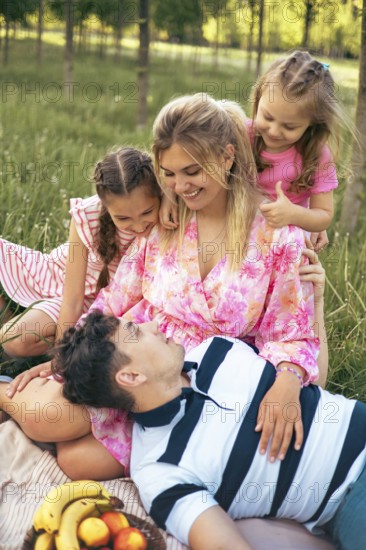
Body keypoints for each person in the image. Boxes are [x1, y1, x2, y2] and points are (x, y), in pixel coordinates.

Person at [0, 93, 320, 480]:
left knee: (78, 460)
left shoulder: (279, 237)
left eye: (192, 171)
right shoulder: (166, 222)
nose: (180, 186)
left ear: (227, 156)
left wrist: (287, 383)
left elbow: (291, 333)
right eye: (168, 173)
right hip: (137, 354)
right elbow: (113, 299)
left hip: (201, 385)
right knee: (52, 416)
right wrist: (65, 358)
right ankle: (6, 392)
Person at [54, 311, 365, 550]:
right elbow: (225, 544)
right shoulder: (159, 471)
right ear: (131, 376)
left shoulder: (217, 348)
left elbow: (313, 379)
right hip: (350, 496)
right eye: (136, 331)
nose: (153, 325)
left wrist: (289, 374)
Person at [160, 51, 347, 251]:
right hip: (238, 229)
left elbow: (324, 216)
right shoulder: (241, 133)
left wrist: (293, 214)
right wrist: (170, 195)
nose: (274, 131)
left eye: (290, 127)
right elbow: (184, 159)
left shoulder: (317, 155)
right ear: (258, 100)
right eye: (267, 116)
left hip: (284, 242)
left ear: (312, 124)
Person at [0, 147, 160, 361]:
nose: (139, 226)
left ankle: (79, 353)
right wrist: (60, 357)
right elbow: (72, 299)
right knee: (12, 338)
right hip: (64, 280)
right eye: (123, 219)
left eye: (147, 213)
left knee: (15, 341)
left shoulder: (171, 214)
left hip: (104, 301)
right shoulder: (87, 215)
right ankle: (15, 317)